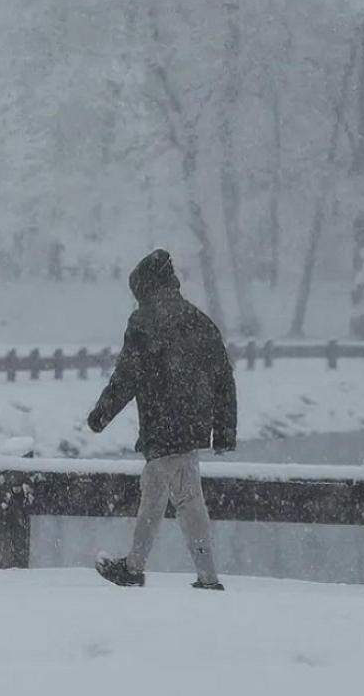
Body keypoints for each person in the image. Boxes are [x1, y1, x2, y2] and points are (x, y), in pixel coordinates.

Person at [86, 248, 237, 590]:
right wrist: (224, 432)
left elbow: (127, 375)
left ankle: (140, 568)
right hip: (192, 422)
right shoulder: (199, 320)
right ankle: (198, 574)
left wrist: (101, 414)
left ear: (144, 287)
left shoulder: (145, 320)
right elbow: (222, 377)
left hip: (161, 420)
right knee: (171, 494)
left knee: (174, 496)